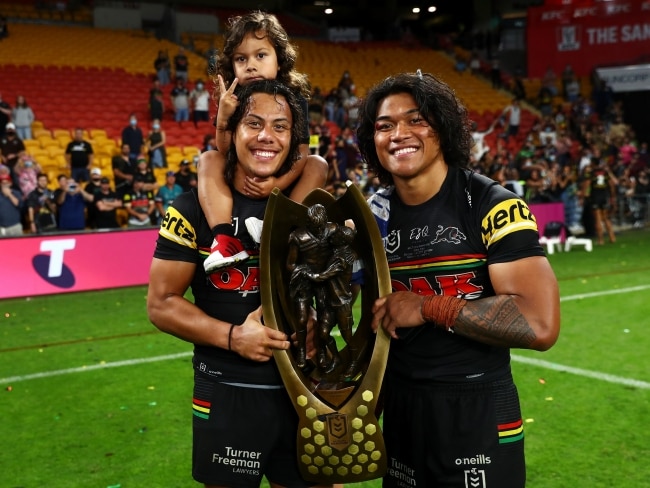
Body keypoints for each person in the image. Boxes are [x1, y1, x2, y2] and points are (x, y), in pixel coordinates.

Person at [355, 71, 561, 487]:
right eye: (384, 125)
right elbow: (371, 323)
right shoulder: (369, 217)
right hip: (401, 409)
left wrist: (429, 306)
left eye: (417, 120)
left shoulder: (492, 204)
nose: (399, 134)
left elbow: (539, 323)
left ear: (444, 127)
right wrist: (353, 413)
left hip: (478, 407)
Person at [147, 79, 336, 488]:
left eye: (280, 127)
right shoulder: (190, 207)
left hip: (305, 389)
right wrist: (234, 337)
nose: (267, 136)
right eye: (253, 123)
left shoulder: (315, 203)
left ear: (294, 139)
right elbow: (161, 304)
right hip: (228, 391)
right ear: (232, 133)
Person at [198, 10, 328, 274]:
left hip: (282, 181)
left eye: (260, 55)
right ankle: (224, 240)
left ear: (279, 60)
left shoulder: (295, 101)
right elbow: (225, 150)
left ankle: (287, 227)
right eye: (241, 59)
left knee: (318, 164)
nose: (251, 65)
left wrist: (276, 185)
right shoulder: (233, 100)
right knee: (208, 158)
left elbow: (301, 152)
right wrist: (223, 117)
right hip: (242, 178)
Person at [0, 170, 23, 236]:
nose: (4, 185)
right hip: (1, 227)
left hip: (14, 226)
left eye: (6, 183)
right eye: (3, 183)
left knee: (18, 245)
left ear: (10, 183)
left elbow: (18, 205)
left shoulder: (17, 193)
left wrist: (9, 195)